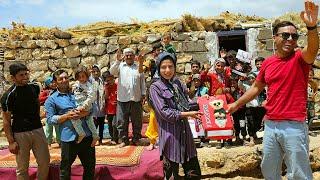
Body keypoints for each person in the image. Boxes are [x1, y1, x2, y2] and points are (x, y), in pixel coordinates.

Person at [227, 1, 319, 179]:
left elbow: (313, 49)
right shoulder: (268, 63)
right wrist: (236, 104)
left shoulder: (300, 58)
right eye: (285, 36)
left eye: (294, 36)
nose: (290, 40)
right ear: (274, 38)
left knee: (298, 172)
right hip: (270, 124)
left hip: (294, 125)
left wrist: (311, 27)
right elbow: (256, 87)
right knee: (268, 169)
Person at [149, 52, 202, 179]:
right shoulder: (155, 88)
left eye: (170, 67)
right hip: (170, 138)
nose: (167, 70)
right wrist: (187, 114)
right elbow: (165, 113)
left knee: (194, 174)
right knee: (172, 176)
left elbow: (187, 104)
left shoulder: (177, 83)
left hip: (186, 136)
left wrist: (202, 101)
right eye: (163, 67)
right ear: (158, 68)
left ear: (174, 67)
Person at [1, 63, 50, 179]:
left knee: (44, 162)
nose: (25, 77)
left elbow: (36, 105)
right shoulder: (8, 96)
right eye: (21, 75)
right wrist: (11, 142)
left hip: (38, 130)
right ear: (13, 78)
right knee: (22, 167)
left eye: (26, 74)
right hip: (20, 134)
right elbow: (6, 121)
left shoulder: (35, 87)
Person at [45, 69, 96, 179]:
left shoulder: (79, 90)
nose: (64, 80)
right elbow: (49, 119)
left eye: (66, 77)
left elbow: (93, 107)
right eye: (60, 79)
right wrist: (67, 116)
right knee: (65, 169)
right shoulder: (52, 99)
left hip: (86, 136)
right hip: (69, 138)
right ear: (55, 82)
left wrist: (84, 114)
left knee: (90, 168)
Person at [110, 48, 146, 147]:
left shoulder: (138, 67)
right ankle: (124, 140)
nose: (129, 57)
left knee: (137, 121)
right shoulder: (120, 66)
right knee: (121, 121)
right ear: (124, 57)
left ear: (134, 57)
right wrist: (117, 60)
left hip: (136, 98)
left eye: (131, 55)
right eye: (127, 55)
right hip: (122, 98)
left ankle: (136, 139)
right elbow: (112, 72)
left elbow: (142, 80)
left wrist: (143, 93)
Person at [72, 66, 99, 146]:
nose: (81, 79)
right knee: (89, 121)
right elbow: (75, 89)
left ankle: (81, 133)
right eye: (79, 77)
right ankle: (95, 136)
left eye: (83, 76)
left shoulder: (89, 86)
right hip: (78, 104)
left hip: (84, 104)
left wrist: (84, 106)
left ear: (87, 76)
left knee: (74, 117)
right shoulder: (77, 84)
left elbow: (91, 97)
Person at [40, 76, 60, 147]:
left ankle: (59, 142)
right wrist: (48, 97)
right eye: (51, 83)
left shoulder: (59, 91)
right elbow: (40, 99)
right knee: (49, 129)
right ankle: (48, 143)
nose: (53, 84)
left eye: (54, 82)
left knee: (58, 130)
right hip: (49, 113)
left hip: (57, 113)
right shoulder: (46, 92)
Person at [91, 65, 106, 146]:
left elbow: (103, 93)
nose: (96, 73)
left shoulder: (101, 80)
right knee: (94, 124)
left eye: (97, 71)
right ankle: (93, 139)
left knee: (101, 124)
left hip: (101, 105)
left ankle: (100, 140)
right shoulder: (90, 81)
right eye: (94, 71)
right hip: (93, 106)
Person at [103, 71, 118, 145]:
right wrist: (106, 88)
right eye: (108, 80)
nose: (110, 81)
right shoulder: (107, 87)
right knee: (110, 125)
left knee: (114, 124)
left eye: (111, 79)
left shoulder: (117, 86)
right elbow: (106, 97)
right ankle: (112, 138)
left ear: (113, 79)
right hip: (109, 110)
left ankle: (115, 138)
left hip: (116, 109)